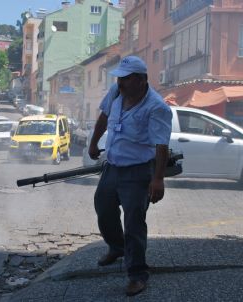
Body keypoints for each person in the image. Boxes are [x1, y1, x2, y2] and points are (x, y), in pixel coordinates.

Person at [88, 56, 172, 297]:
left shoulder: (156, 107)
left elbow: (161, 146)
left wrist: (158, 179)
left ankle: (137, 274)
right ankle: (116, 247)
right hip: (112, 166)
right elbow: (104, 117)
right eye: (119, 78)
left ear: (141, 80)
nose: (120, 83)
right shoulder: (116, 92)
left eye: (125, 79)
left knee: (134, 222)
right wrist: (94, 143)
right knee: (103, 207)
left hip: (137, 171)